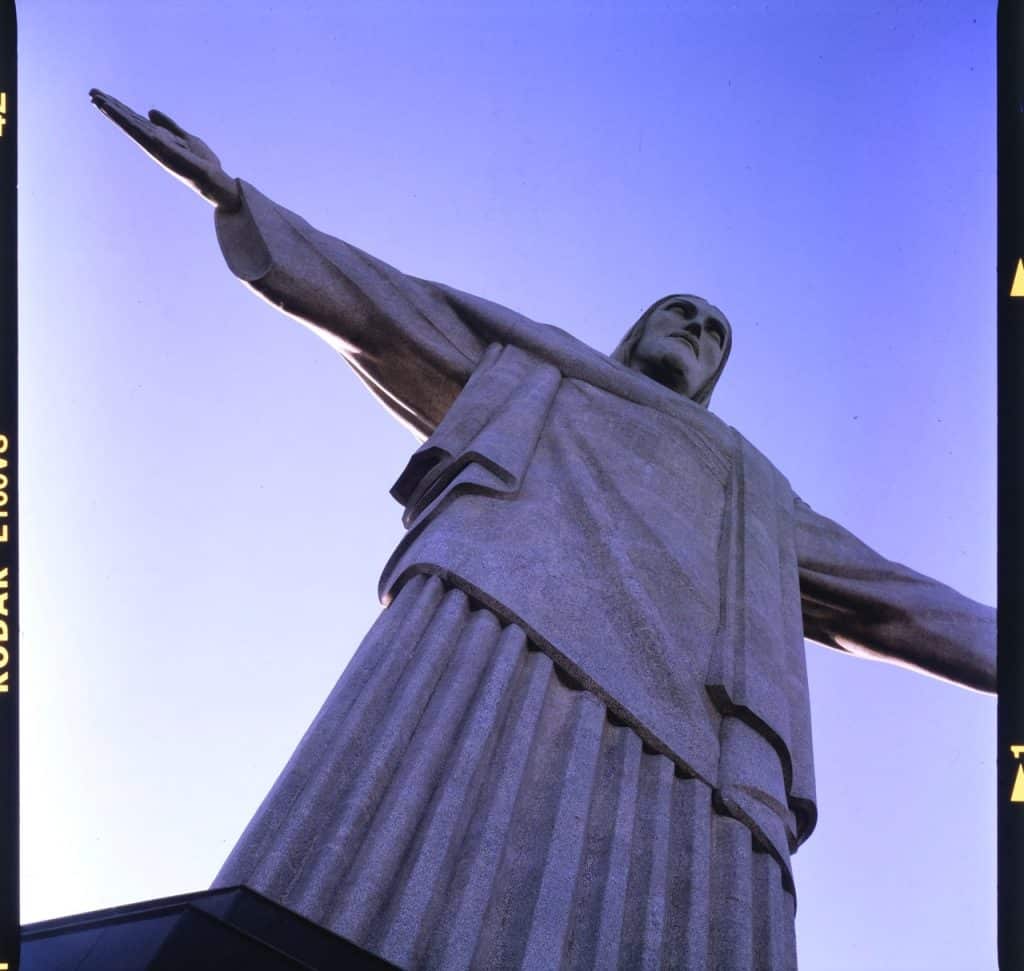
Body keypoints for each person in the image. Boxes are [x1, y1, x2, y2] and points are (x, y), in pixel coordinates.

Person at [90, 90, 996, 970]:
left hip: (702, 731)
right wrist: (237, 200)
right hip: (489, 620)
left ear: (718, 372)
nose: (698, 326)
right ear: (636, 327)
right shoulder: (539, 363)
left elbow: (896, 600)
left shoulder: (752, 485)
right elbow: (385, 304)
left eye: (716, 332)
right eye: (682, 310)